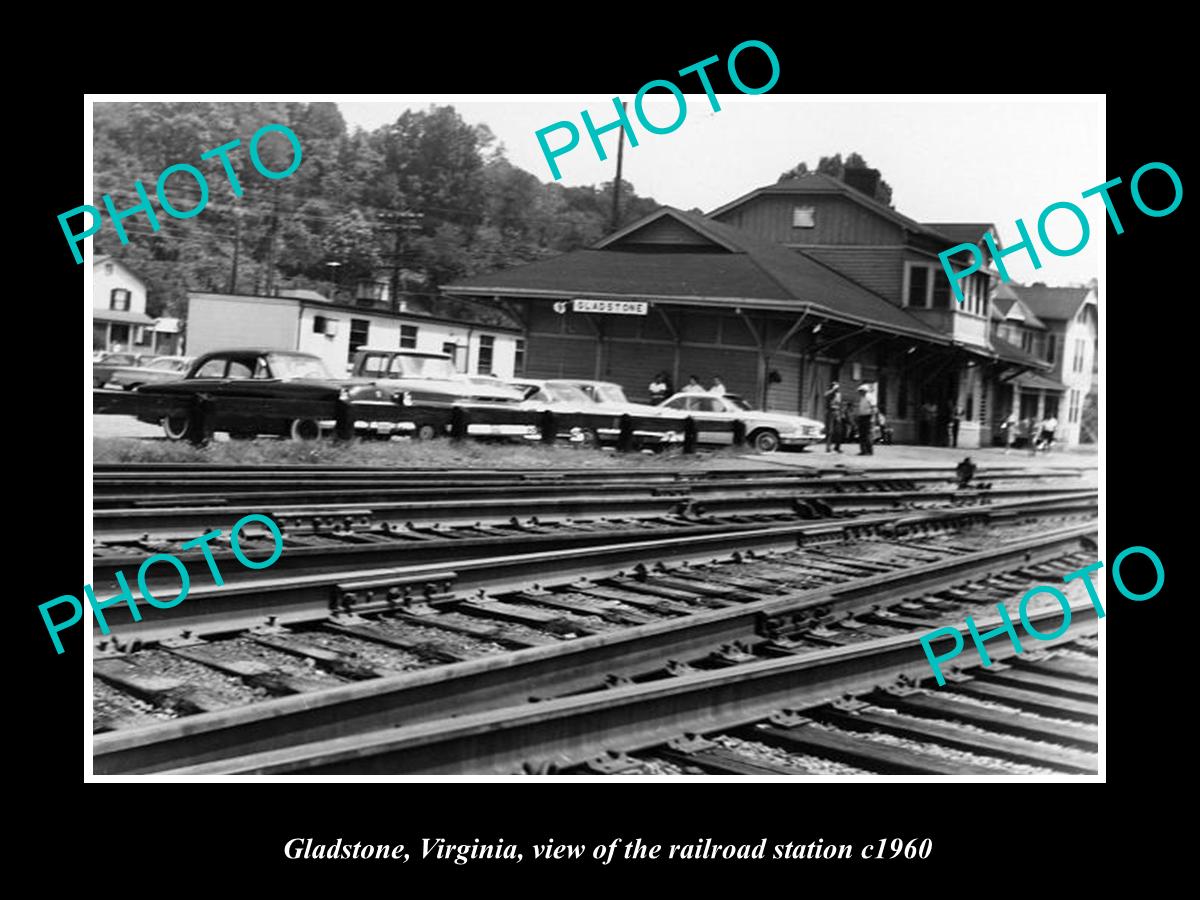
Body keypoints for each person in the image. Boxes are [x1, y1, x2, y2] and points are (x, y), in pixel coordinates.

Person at [854, 384, 876, 455]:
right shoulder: (862, 398)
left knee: (867, 434)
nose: (859, 393)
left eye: (861, 391)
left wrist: (872, 417)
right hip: (862, 417)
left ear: (865, 391)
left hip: (868, 417)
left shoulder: (869, 397)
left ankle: (869, 451)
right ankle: (863, 450)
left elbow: (874, 408)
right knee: (862, 434)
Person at [823, 381, 843, 453]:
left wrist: (841, 413)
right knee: (830, 431)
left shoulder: (839, 395)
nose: (837, 388)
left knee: (838, 431)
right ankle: (828, 447)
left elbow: (840, 404)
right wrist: (833, 390)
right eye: (834, 386)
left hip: (837, 412)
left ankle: (837, 447)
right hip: (830, 412)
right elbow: (826, 396)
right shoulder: (828, 393)